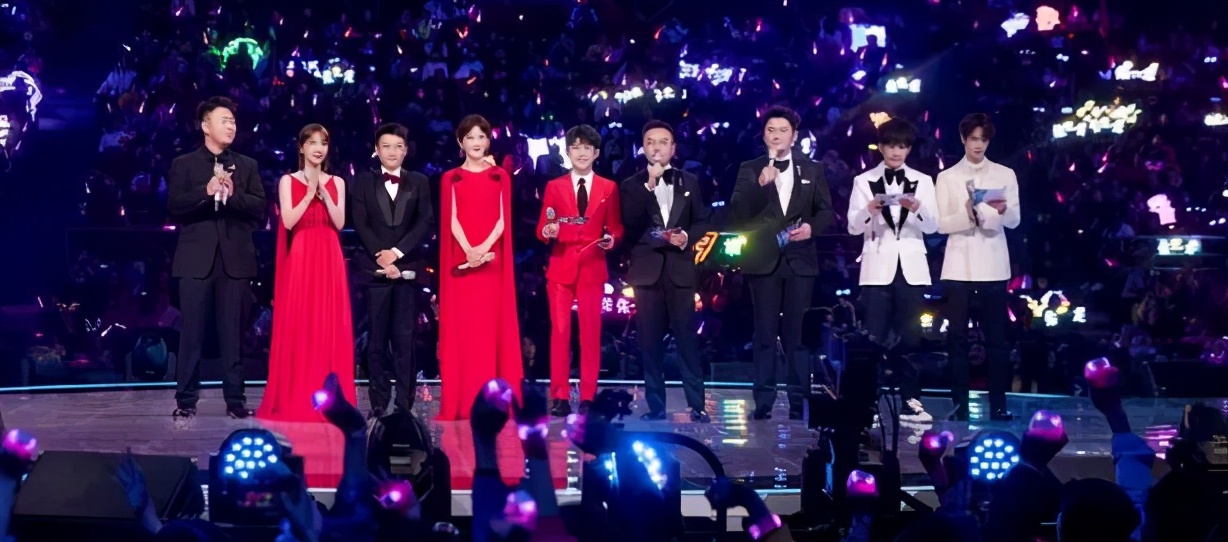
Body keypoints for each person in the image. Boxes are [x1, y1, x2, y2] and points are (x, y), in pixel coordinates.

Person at [729, 105, 835, 421]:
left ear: (795, 135)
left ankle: (799, 400)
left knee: (797, 334)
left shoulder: (812, 169)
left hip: (801, 261)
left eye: (783, 130)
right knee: (764, 332)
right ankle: (763, 400)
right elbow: (737, 211)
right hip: (762, 259)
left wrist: (812, 228)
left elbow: (826, 211)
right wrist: (760, 185)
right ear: (763, 135)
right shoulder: (750, 168)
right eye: (771, 130)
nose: (776, 135)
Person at [167, 96, 265, 419]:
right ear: (205, 125)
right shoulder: (184, 164)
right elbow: (174, 206)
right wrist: (206, 191)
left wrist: (233, 194)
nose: (231, 126)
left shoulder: (247, 166)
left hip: (235, 259)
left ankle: (236, 400)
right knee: (191, 333)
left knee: (233, 334)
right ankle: (186, 400)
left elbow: (260, 209)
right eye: (224, 120)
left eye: (233, 121)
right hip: (196, 260)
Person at [258, 124, 356, 422]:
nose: (318, 148)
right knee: (301, 320)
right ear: (301, 147)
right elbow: (288, 221)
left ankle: (331, 396)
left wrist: (324, 194)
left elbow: (340, 222)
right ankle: (299, 393)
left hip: (329, 254)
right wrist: (308, 194)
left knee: (329, 321)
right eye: (312, 142)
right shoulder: (288, 181)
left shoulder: (337, 182)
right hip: (302, 254)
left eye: (323, 143)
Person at [846, 118, 938, 423]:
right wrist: (868, 210)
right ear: (881, 147)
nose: (896, 152)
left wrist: (918, 208)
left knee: (911, 338)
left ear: (909, 148)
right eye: (891, 145)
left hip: (911, 267)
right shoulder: (864, 181)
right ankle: (868, 404)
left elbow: (933, 226)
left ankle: (910, 400)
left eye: (902, 146)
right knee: (872, 338)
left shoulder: (923, 180)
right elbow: (852, 226)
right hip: (876, 267)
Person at [619, 120, 711, 423]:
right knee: (649, 343)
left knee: (687, 341)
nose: (656, 147)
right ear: (643, 148)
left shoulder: (690, 181)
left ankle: (697, 405)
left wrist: (686, 237)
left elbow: (703, 220)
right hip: (647, 272)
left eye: (663, 141)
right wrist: (649, 185)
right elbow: (629, 225)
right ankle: (656, 407)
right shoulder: (631, 185)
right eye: (650, 142)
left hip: (681, 271)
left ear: (673, 148)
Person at [436, 114, 523, 421]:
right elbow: (451, 218)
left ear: (489, 140)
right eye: (470, 137)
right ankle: (463, 400)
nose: (476, 142)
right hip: (462, 265)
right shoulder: (451, 178)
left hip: (491, 266)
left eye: (482, 136)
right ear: (460, 142)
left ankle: (491, 400)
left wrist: (483, 248)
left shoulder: (500, 177)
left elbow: (503, 220)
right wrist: (469, 250)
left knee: (490, 329)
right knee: (464, 332)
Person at [936, 113, 1020, 422]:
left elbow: (1015, 220)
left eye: (983, 139)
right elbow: (940, 224)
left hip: (994, 265)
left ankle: (998, 405)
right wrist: (967, 214)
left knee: (996, 339)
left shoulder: (1005, 174)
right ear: (963, 139)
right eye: (973, 138)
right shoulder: (947, 177)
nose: (978, 145)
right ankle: (959, 405)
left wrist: (1002, 210)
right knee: (956, 339)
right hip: (958, 265)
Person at [536, 124, 623, 417]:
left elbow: (616, 227)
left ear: (596, 153)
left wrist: (612, 238)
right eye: (576, 147)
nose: (582, 153)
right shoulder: (554, 186)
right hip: (561, 267)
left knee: (590, 334)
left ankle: (587, 396)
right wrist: (548, 230)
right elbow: (543, 225)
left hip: (593, 267)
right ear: (568, 152)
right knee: (560, 333)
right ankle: (559, 396)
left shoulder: (609, 188)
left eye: (587, 148)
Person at [350, 123, 434, 418]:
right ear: (377, 150)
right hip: (374, 271)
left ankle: (404, 404)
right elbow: (360, 222)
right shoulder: (363, 181)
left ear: (406, 150)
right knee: (375, 341)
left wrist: (397, 255)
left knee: (404, 340)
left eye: (398, 146)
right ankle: (378, 401)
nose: (392, 152)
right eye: (386, 146)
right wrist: (382, 257)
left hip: (406, 269)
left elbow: (424, 222)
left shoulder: (419, 181)